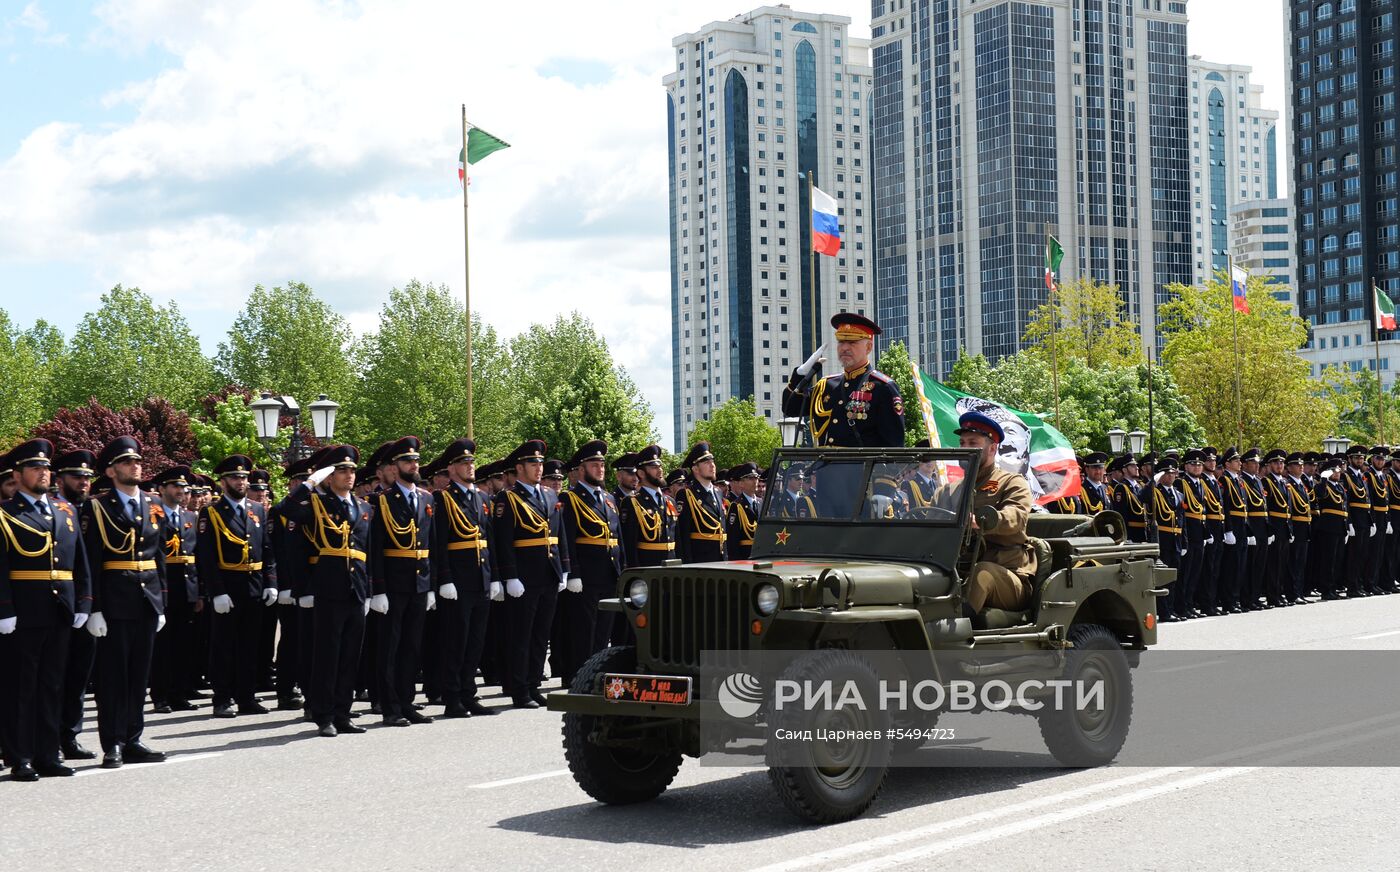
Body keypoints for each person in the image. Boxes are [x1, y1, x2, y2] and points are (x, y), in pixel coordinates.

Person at [0, 439, 91, 779]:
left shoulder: (65, 511)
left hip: (60, 609)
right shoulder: (7, 513)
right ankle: (19, 755)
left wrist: (84, 601)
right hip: (24, 610)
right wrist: (4, 608)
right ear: (17, 474)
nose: (43, 473)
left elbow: (80, 562)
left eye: (46, 468)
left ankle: (47, 754)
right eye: (35, 468)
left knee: (52, 684)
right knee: (21, 686)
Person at [82, 436, 168, 769]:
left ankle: (133, 737)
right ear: (111, 470)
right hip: (115, 603)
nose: (136, 466)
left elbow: (159, 557)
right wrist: (94, 607)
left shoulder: (154, 503)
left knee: (138, 675)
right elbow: (90, 560)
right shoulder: (97, 507)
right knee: (113, 677)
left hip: (146, 601)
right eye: (127, 462)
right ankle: (113, 742)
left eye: (138, 461)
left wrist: (161, 603)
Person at [277, 445, 372, 737]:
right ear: (329, 477)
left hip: (356, 588)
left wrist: (370, 590)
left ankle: (343, 712)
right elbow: (284, 509)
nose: (349, 475)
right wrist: (308, 484)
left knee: (349, 657)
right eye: (341, 470)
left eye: (352, 470)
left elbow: (370, 551)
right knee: (327, 656)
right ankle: (324, 714)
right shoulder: (317, 504)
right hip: (328, 588)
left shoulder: (365, 508)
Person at [197, 453, 278, 719]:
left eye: (244, 477)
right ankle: (222, 698)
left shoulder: (256, 510)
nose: (241, 482)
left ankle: (246, 698)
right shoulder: (211, 513)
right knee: (223, 647)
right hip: (228, 587)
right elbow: (206, 557)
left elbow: (267, 550)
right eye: (235, 477)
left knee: (249, 646)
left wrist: (271, 582)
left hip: (253, 586)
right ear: (223, 482)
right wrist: (216, 591)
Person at [492, 439, 566, 709]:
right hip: (524, 576)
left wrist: (564, 568)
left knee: (540, 634)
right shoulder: (508, 497)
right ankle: (519, 688)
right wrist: (509, 575)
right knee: (520, 635)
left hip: (548, 572)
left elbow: (559, 535)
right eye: (533, 463)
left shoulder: (549, 495)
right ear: (520, 467)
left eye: (540, 463)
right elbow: (503, 540)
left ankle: (533, 683)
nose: (538, 467)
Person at [368, 436, 434, 727]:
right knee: (390, 647)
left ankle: (407, 702)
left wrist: (432, 584)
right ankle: (390, 706)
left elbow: (433, 544)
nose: (413, 464)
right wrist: (378, 589)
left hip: (420, 583)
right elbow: (375, 549)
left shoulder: (427, 499)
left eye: (416, 460)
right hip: (394, 583)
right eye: (407, 461)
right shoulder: (381, 501)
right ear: (394, 468)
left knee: (413, 646)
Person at [429, 438, 497, 719]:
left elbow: (488, 538)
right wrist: (444, 578)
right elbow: (438, 542)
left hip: (481, 578)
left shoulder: (481, 499)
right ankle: (452, 697)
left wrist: (496, 577)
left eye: (471, 462)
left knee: (475, 642)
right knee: (455, 641)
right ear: (452, 468)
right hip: (458, 580)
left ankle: (469, 694)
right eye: (464, 463)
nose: (470, 467)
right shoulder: (442, 499)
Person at [949, 412, 1036, 617]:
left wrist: (981, 521)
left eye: (973, 443)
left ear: (992, 448)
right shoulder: (950, 490)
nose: (965, 448)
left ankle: (955, 633)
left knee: (982, 573)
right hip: (958, 568)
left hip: (1007, 574)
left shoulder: (1012, 483)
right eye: (962, 443)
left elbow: (1016, 516)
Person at [781, 312, 905, 448]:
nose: (845, 348)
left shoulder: (882, 387)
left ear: (868, 347)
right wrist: (799, 374)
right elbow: (790, 408)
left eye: (852, 342)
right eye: (841, 342)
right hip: (824, 467)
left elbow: (894, 444)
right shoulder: (826, 385)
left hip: (863, 468)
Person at [557, 440, 623, 686]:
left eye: (602, 464)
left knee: (603, 631)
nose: (600, 468)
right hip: (586, 576)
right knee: (583, 631)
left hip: (609, 574)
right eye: (594, 464)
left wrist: (622, 571)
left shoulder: (608, 499)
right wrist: (573, 572)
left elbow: (618, 540)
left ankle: (596, 676)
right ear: (581, 468)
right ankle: (576, 677)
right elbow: (568, 539)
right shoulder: (571, 498)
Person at [51, 449, 99, 761]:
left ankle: (70, 734)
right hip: (56, 603)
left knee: (79, 674)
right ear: (60, 479)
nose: (83, 482)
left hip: (87, 603)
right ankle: (47, 737)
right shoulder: (56, 509)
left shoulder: (95, 510)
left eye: (86, 477)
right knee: (53, 675)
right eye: (76, 477)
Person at [148, 465, 200, 714]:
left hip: (187, 588)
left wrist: (201, 592)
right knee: (163, 646)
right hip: (164, 586)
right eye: (176, 486)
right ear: (162, 489)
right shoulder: (153, 515)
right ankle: (160, 695)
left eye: (184, 487)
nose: (181, 491)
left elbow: (197, 555)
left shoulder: (191, 517)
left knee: (184, 645)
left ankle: (180, 693)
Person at [619, 445, 677, 569]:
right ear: (641, 473)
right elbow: (629, 544)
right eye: (653, 467)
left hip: (672, 568)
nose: (660, 470)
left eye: (660, 466)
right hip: (648, 569)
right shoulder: (632, 502)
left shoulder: (670, 501)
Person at [675, 442, 728, 563]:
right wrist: (688, 565)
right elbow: (684, 535)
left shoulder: (718, 492)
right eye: (706, 462)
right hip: (701, 562)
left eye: (712, 461)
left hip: (722, 560)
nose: (712, 465)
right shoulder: (686, 494)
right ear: (695, 469)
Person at [726, 463, 762, 560]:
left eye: (756, 478)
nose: (755, 481)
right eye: (750, 478)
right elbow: (732, 540)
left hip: (760, 555)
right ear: (741, 483)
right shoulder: (736, 506)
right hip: (744, 556)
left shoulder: (761, 503)